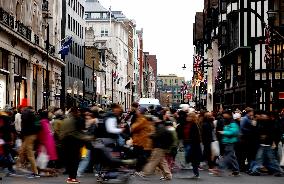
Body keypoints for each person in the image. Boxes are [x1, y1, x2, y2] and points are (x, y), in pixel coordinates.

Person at [136, 114, 174, 180]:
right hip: (161, 147)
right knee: (162, 162)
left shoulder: (160, 126)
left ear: (158, 119)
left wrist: (150, 135)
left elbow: (157, 136)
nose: (153, 120)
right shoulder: (160, 126)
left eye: (155, 119)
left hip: (159, 146)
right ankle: (168, 176)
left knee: (153, 160)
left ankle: (144, 173)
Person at [61, 107, 93, 184]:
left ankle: (70, 177)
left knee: (70, 161)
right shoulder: (73, 120)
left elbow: (63, 132)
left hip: (66, 142)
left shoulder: (66, 120)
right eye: (77, 112)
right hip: (73, 143)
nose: (79, 113)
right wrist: (86, 137)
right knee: (74, 161)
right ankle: (72, 178)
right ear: (74, 112)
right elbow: (75, 133)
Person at [212, 110, 240, 176]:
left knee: (227, 157)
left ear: (229, 115)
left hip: (230, 141)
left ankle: (220, 169)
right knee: (231, 157)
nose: (224, 115)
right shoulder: (227, 121)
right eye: (224, 114)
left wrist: (223, 132)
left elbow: (234, 132)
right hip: (227, 141)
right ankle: (236, 170)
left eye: (225, 114)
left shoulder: (233, 123)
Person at [17, 107, 41, 178]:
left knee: (30, 154)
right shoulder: (34, 116)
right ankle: (19, 165)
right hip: (32, 135)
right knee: (22, 151)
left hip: (28, 136)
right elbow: (38, 126)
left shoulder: (25, 116)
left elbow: (24, 128)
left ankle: (35, 172)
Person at [131, 104, 155, 172]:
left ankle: (139, 169)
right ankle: (139, 168)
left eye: (138, 110)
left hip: (140, 140)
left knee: (139, 155)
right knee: (139, 154)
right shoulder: (140, 118)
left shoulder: (142, 119)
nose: (137, 111)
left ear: (141, 111)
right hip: (139, 140)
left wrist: (132, 127)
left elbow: (133, 127)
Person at [182, 112, 202, 179]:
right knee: (192, 158)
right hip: (187, 143)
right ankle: (195, 173)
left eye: (190, 117)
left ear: (193, 118)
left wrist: (192, 142)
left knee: (193, 158)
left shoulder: (194, 125)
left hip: (193, 144)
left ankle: (196, 173)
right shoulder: (187, 124)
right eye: (188, 116)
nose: (188, 118)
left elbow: (196, 136)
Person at [239, 107, 258, 172]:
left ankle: (246, 167)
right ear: (249, 112)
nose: (252, 113)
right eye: (252, 112)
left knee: (247, 153)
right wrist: (250, 130)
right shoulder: (245, 119)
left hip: (248, 139)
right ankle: (242, 167)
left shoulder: (249, 118)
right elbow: (242, 128)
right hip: (244, 139)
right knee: (244, 154)